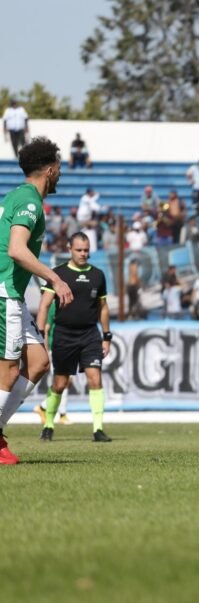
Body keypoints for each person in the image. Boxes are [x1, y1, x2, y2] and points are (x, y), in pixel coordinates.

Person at [0, 137, 75, 465]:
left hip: (10, 293)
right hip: (5, 293)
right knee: (8, 370)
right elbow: (17, 249)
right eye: (58, 168)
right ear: (50, 169)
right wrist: (55, 278)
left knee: (39, 362)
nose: (59, 174)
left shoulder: (17, 195)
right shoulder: (30, 202)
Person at [36, 233, 112, 442]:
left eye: (86, 250)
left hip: (89, 334)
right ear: (70, 249)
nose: (83, 254)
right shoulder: (57, 274)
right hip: (63, 335)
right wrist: (41, 335)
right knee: (60, 383)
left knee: (95, 379)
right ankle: (48, 424)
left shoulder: (98, 275)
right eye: (79, 250)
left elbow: (103, 308)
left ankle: (98, 429)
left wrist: (106, 336)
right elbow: (43, 306)